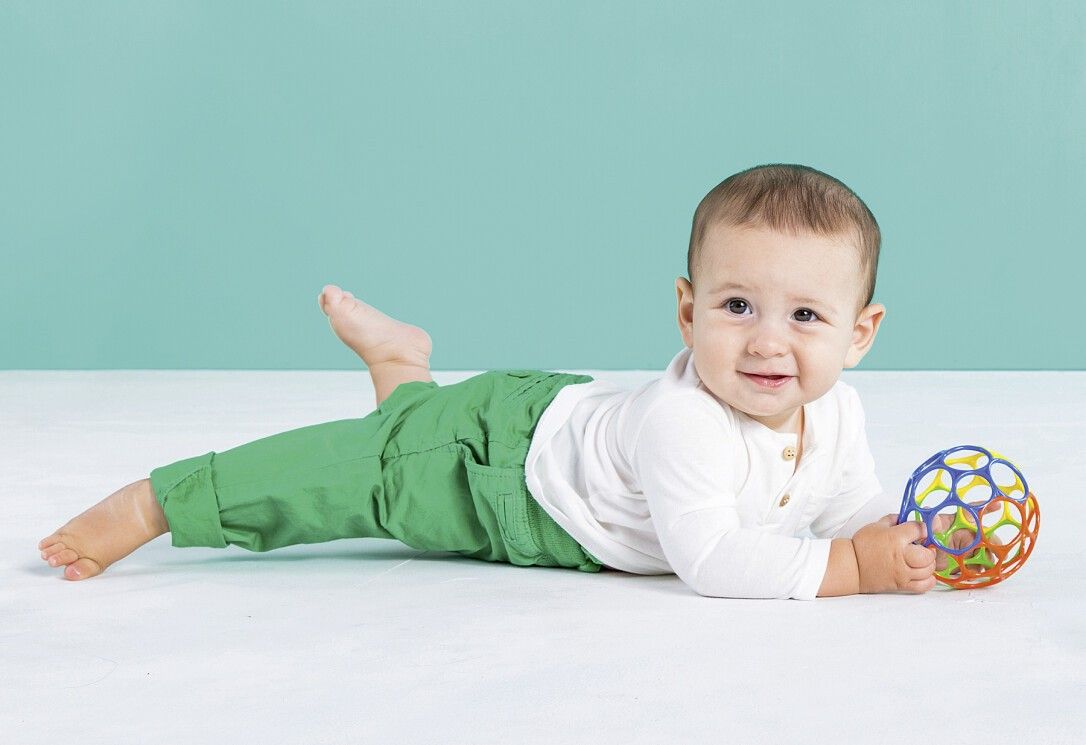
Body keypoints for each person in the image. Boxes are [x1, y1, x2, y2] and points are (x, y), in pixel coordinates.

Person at [38, 163, 974, 598]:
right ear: (687, 312)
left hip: (545, 422)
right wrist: (853, 569)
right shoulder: (686, 422)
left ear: (860, 335)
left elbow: (843, 492)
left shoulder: (838, 410)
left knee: (407, 435)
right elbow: (714, 560)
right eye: (737, 307)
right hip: (497, 473)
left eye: (805, 317)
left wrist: (883, 530)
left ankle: (404, 369)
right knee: (356, 478)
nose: (769, 343)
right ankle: (162, 502)